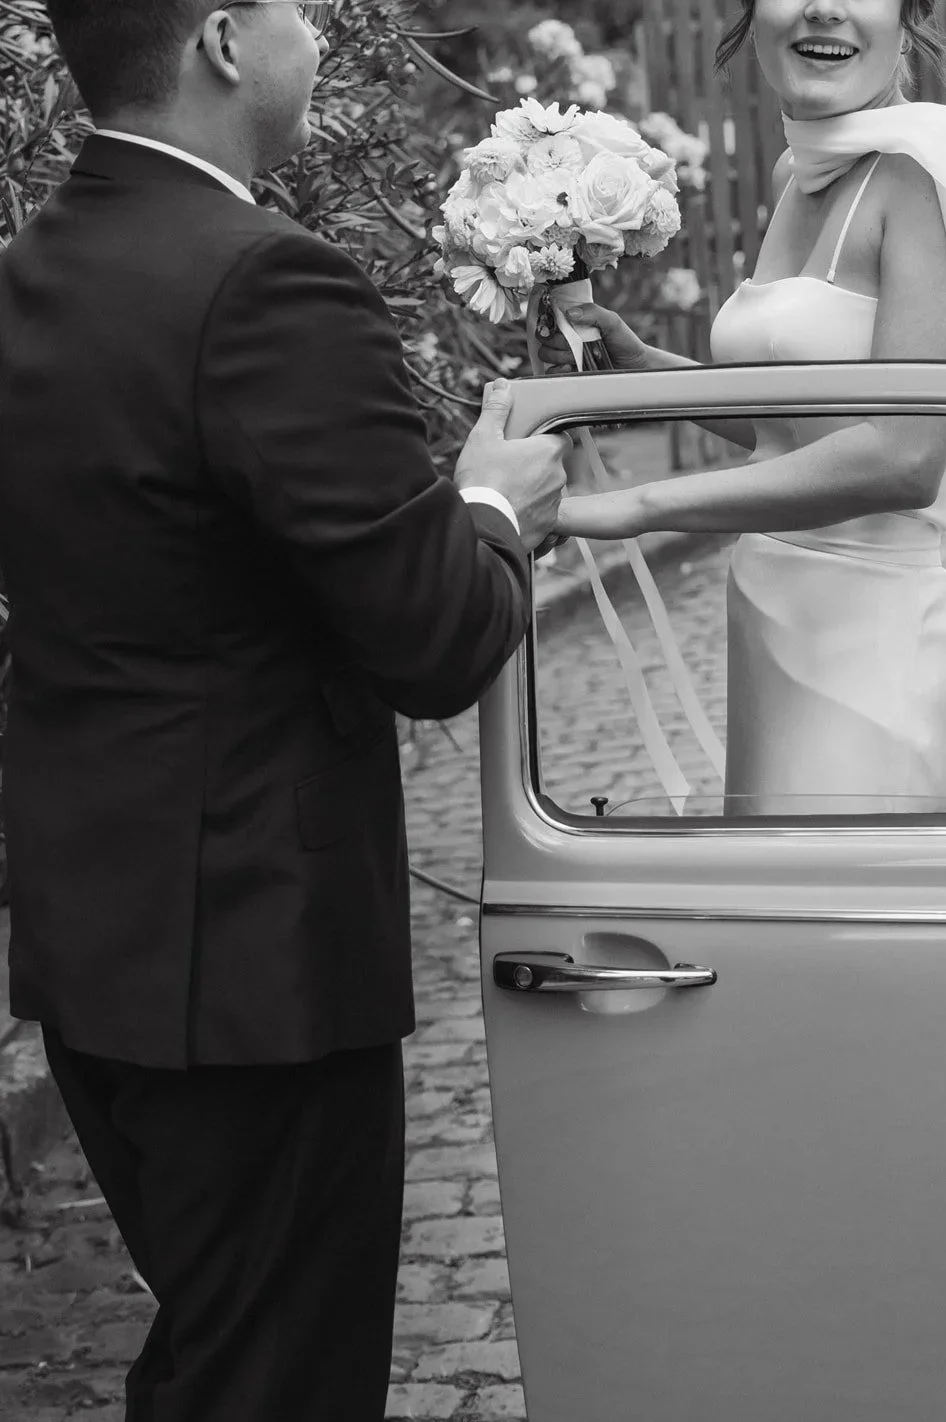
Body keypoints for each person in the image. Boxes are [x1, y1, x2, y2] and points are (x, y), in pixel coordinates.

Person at [0, 2, 568, 1418]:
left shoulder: (33, 269)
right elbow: (435, 640)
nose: (316, 34)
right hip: (252, 965)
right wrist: (494, 505)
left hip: (94, 941)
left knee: (211, 1350)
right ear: (220, 42)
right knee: (274, 1380)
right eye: (296, 8)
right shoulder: (266, 283)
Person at [540, 0, 946, 816]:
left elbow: (902, 456)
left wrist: (638, 504)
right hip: (769, 628)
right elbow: (789, 428)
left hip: (871, 655)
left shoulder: (919, 180)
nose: (822, 5)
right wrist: (649, 372)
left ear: (906, 17)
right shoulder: (798, 173)